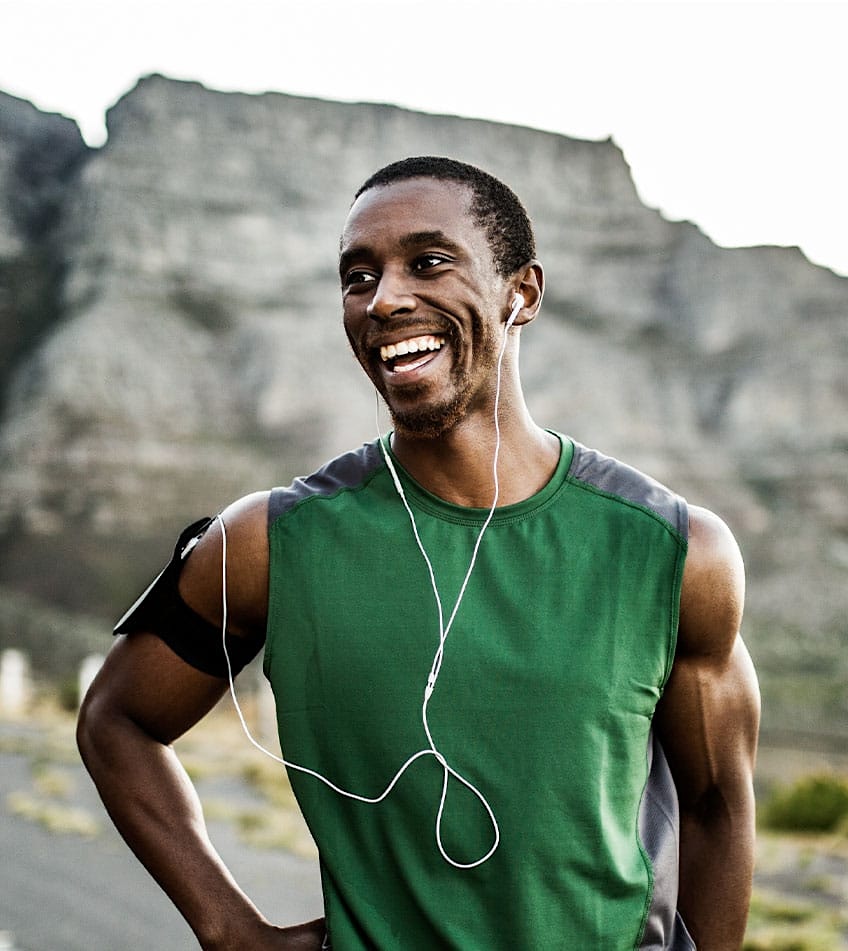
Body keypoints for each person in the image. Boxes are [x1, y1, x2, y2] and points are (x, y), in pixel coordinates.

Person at [78, 156, 760, 950]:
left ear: (522, 293)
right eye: (358, 276)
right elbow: (117, 719)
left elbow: (718, 804)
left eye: (428, 262)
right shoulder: (269, 542)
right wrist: (230, 929)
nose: (384, 299)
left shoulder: (675, 550)